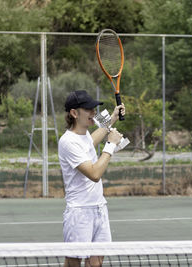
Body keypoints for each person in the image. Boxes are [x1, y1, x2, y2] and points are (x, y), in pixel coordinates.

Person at [58, 90, 125, 267]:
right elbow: (94, 174)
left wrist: (113, 117)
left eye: (94, 109)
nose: (93, 113)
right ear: (74, 113)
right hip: (80, 212)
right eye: (88, 109)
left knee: (96, 262)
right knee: (73, 262)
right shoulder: (68, 142)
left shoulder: (84, 136)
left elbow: (90, 142)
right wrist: (111, 144)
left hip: (99, 208)